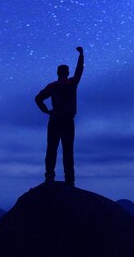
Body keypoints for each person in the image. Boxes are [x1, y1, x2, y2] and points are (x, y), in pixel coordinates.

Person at [35, 46, 84, 186]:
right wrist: (81, 55)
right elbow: (79, 71)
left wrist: (46, 111)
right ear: (67, 72)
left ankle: (49, 176)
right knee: (68, 151)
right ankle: (70, 180)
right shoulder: (71, 83)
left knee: (51, 149)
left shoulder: (53, 86)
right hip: (68, 121)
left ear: (57, 73)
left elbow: (37, 98)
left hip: (55, 120)